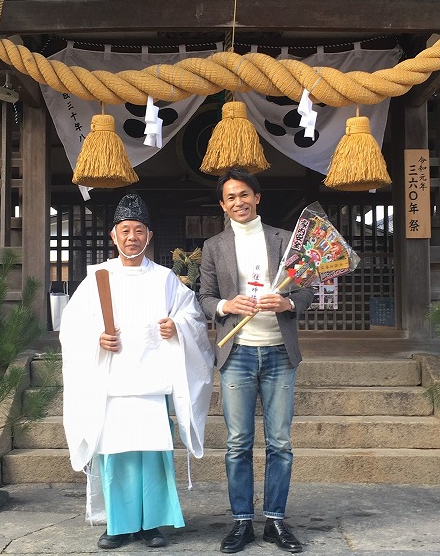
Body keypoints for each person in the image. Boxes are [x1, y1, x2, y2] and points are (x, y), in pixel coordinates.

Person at [60, 193, 214, 550]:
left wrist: (176, 327)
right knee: (116, 455)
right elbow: (73, 327)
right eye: (125, 230)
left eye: (139, 230)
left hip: (152, 383)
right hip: (112, 383)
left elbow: (192, 316)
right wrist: (97, 339)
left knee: (153, 454)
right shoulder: (98, 277)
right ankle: (118, 523)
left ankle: (152, 525)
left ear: (150, 235)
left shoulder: (165, 279)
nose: (132, 237)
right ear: (113, 237)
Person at [198, 169, 315, 554]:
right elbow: (204, 297)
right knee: (238, 442)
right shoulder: (214, 246)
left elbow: (306, 287)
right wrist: (225, 305)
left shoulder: (284, 240)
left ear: (257, 197)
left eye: (244, 194)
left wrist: (288, 302)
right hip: (238, 353)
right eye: (230, 197)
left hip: (280, 351)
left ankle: (277, 521)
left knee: (280, 442)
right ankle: (242, 522)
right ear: (222, 204)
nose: (238, 202)